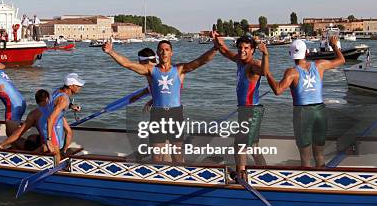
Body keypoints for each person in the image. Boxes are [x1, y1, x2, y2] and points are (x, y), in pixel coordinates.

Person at [102, 37, 218, 163]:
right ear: (157, 53)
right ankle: (158, 178)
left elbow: (201, 61)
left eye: (167, 50)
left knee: (177, 155)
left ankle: (178, 179)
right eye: (161, 50)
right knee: (157, 155)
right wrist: (111, 52)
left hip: (175, 114)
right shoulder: (150, 70)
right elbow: (128, 64)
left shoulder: (179, 69)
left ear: (171, 53)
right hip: (158, 114)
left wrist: (215, 48)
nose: (164, 52)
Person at [263, 36, 345, 167]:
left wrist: (267, 73)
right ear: (307, 52)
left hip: (303, 113)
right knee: (319, 154)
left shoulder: (292, 72)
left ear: (290, 54)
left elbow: (278, 91)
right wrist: (334, 45)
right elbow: (341, 60)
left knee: (305, 156)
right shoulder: (319, 65)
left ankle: (307, 180)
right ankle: (322, 180)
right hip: (320, 111)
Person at [215, 34, 268, 178]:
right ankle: (265, 172)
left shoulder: (254, 65)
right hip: (245, 110)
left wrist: (265, 55)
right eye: (240, 48)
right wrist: (217, 41)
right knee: (253, 147)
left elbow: (264, 71)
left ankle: (241, 174)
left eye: (246, 48)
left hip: (252, 110)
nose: (242, 50)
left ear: (252, 50)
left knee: (240, 145)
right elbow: (225, 51)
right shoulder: (239, 61)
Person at [0, 89, 72, 152]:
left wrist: (2, 144)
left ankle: (20, 153)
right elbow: (69, 132)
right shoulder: (57, 112)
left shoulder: (34, 114)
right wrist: (64, 151)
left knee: (17, 140)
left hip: (47, 147)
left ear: (37, 101)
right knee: (32, 137)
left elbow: (19, 132)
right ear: (48, 98)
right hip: (58, 147)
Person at [44, 73, 84, 162]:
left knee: (69, 132)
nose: (80, 88)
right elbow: (50, 118)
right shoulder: (63, 99)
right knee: (55, 152)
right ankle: (56, 166)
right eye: (78, 85)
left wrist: (71, 106)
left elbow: (57, 104)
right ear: (70, 86)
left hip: (57, 117)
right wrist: (49, 139)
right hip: (52, 123)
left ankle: (63, 152)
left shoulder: (59, 90)